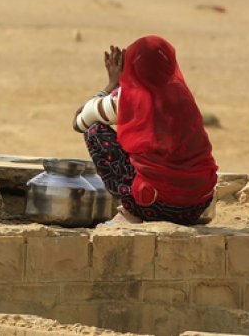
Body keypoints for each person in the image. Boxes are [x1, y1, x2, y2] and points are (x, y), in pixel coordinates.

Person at [73, 36, 218, 225]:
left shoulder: (124, 99)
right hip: (197, 206)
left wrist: (112, 83)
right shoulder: (183, 97)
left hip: (152, 204)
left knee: (94, 131)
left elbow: (79, 122)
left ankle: (132, 212)